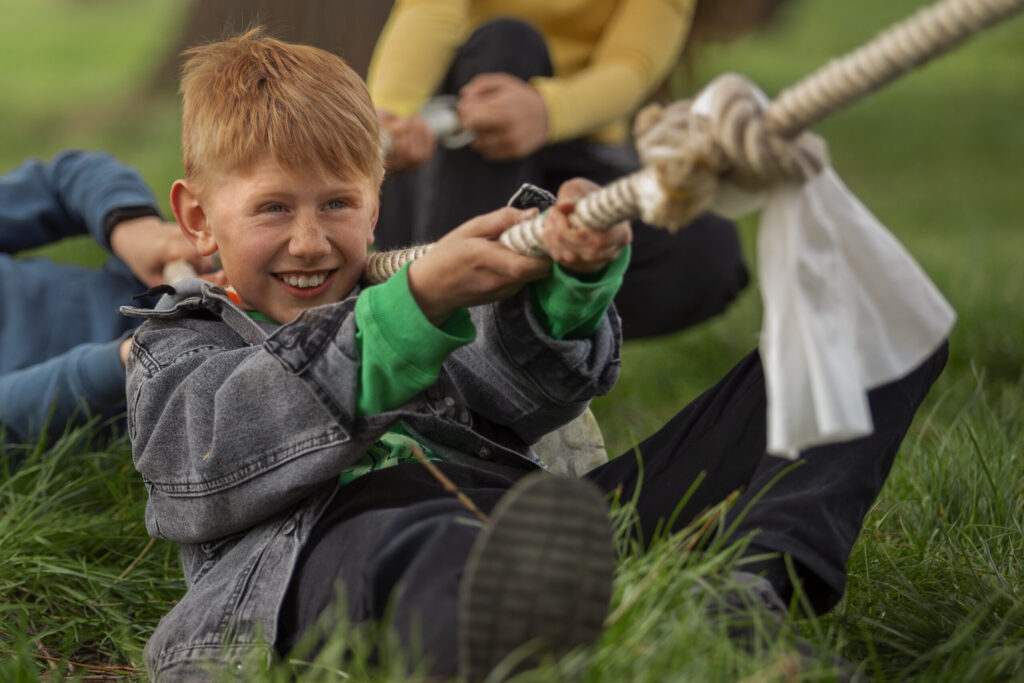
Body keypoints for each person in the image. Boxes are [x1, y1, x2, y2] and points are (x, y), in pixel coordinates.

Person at [123, 29, 948, 681]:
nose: (310, 238)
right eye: (272, 207)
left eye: (339, 202)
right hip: (336, 560)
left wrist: (570, 285)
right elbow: (208, 460)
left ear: (376, 206)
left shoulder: (409, 297)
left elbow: (521, 386)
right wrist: (411, 307)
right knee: (431, 541)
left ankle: (739, 600)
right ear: (198, 217)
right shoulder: (176, 346)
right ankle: (533, 634)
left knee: (860, 343)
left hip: (547, 531)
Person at [367, 0, 751, 339]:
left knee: (710, 254)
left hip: (573, 146)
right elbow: (429, 9)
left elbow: (631, 65)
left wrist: (546, 111)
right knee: (510, 41)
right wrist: (390, 114)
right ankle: (451, 347)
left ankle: (520, 340)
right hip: (452, 154)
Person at [0, 150, 212, 456]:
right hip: (158, 394)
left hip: (167, 286)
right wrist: (129, 358)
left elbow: (63, 178)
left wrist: (132, 229)